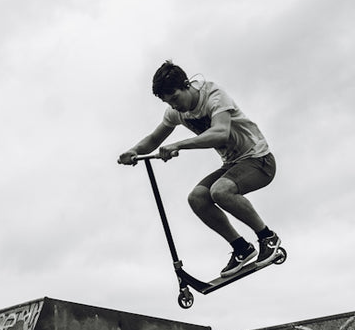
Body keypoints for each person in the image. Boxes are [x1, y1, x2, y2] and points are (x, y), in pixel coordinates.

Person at [118, 61, 281, 277]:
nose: (174, 106)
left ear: (186, 85)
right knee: (197, 198)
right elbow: (155, 138)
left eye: (175, 98)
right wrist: (134, 151)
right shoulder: (175, 112)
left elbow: (221, 132)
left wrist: (179, 144)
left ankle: (267, 236)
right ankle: (242, 248)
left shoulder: (214, 96)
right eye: (169, 102)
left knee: (220, 191)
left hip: (259, 159)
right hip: (233, 163)